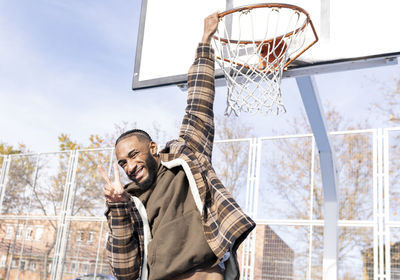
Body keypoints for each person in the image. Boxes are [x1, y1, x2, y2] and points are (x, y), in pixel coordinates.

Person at [98, 12, 255, 280]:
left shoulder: (186, 157)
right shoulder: (131, 199)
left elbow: (199, 100)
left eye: (133, 155)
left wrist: (205, 41)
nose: (129, 166)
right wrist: (117, 208)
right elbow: (124, 272)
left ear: (153, 148)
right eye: (123, 162)